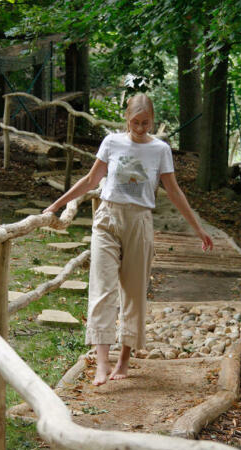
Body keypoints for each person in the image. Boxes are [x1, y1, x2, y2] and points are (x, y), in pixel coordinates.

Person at [43, 93, 213, 386]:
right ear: (127, 118)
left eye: (146, 122)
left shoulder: (160, 149)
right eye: (135, 121)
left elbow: (174, 191)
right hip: (108, 219)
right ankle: (102, 363)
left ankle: (124, 359)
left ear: (153, 120)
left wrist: (197, 228)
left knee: (133, 293)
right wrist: (57, 204)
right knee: (102, 289)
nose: (140, 127)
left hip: (139, 222)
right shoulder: (111, 143)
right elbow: (90, 180)